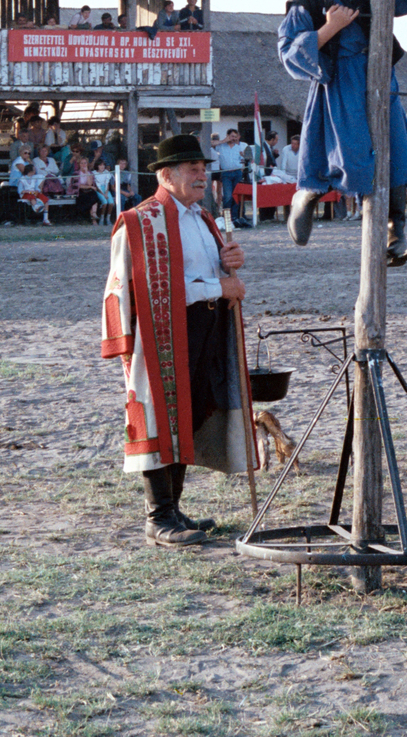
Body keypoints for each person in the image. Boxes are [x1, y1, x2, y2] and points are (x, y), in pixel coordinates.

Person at [101, 134, 256, 547]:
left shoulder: (203, 219)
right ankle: (158, 516)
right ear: (166, 175)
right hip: (160, 332)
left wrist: (231, 263)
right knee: (156, 413)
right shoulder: (139, 222)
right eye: (193, 169)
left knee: (186, 413)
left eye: (204, 169)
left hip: (203, 328)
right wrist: (218, 288)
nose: (202, 176)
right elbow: (152, 289)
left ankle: (175, 508)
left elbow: (209, 273)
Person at [277, 0, 407, 265]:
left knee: (393, 154)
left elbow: (404, 0)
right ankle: (308, 195)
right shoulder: (304, 3)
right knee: (348, 153)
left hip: (379, 76)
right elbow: (289, 54)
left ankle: (395, 235)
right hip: (339, 82)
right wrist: (329, 29)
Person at [214, 128, 248, 226]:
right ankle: (226, 217)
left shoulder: (238, 147)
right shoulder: (220, 146)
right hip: (226, 174)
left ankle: (234, 217)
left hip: (237, 173)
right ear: (228, 136)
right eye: (232, 136)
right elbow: (210, 144)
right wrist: (224, 140)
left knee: (236, 196)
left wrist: (241, 169)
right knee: (228, 196)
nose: (234, 138)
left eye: (235, 137)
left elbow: (242, 161)